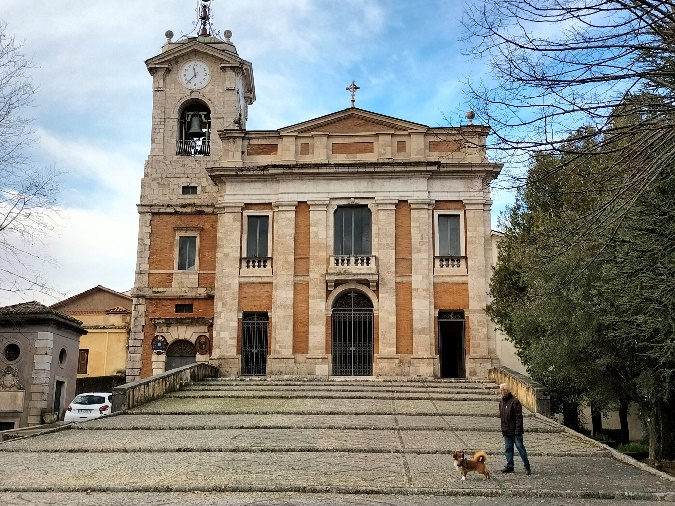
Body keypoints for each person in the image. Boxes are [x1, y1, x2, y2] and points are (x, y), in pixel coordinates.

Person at [499, 383, 531, 475]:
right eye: (500, 390)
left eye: (502, 390)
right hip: (506, 431)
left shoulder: (515, 402)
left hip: (515, 431)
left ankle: (527, 466)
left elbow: (519, 417)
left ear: (507, 391)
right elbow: (502, 417)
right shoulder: (501, 402)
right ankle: (510, 466)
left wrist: (518, 430)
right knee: (508, 449)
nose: (501, 392)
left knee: (520, 448)